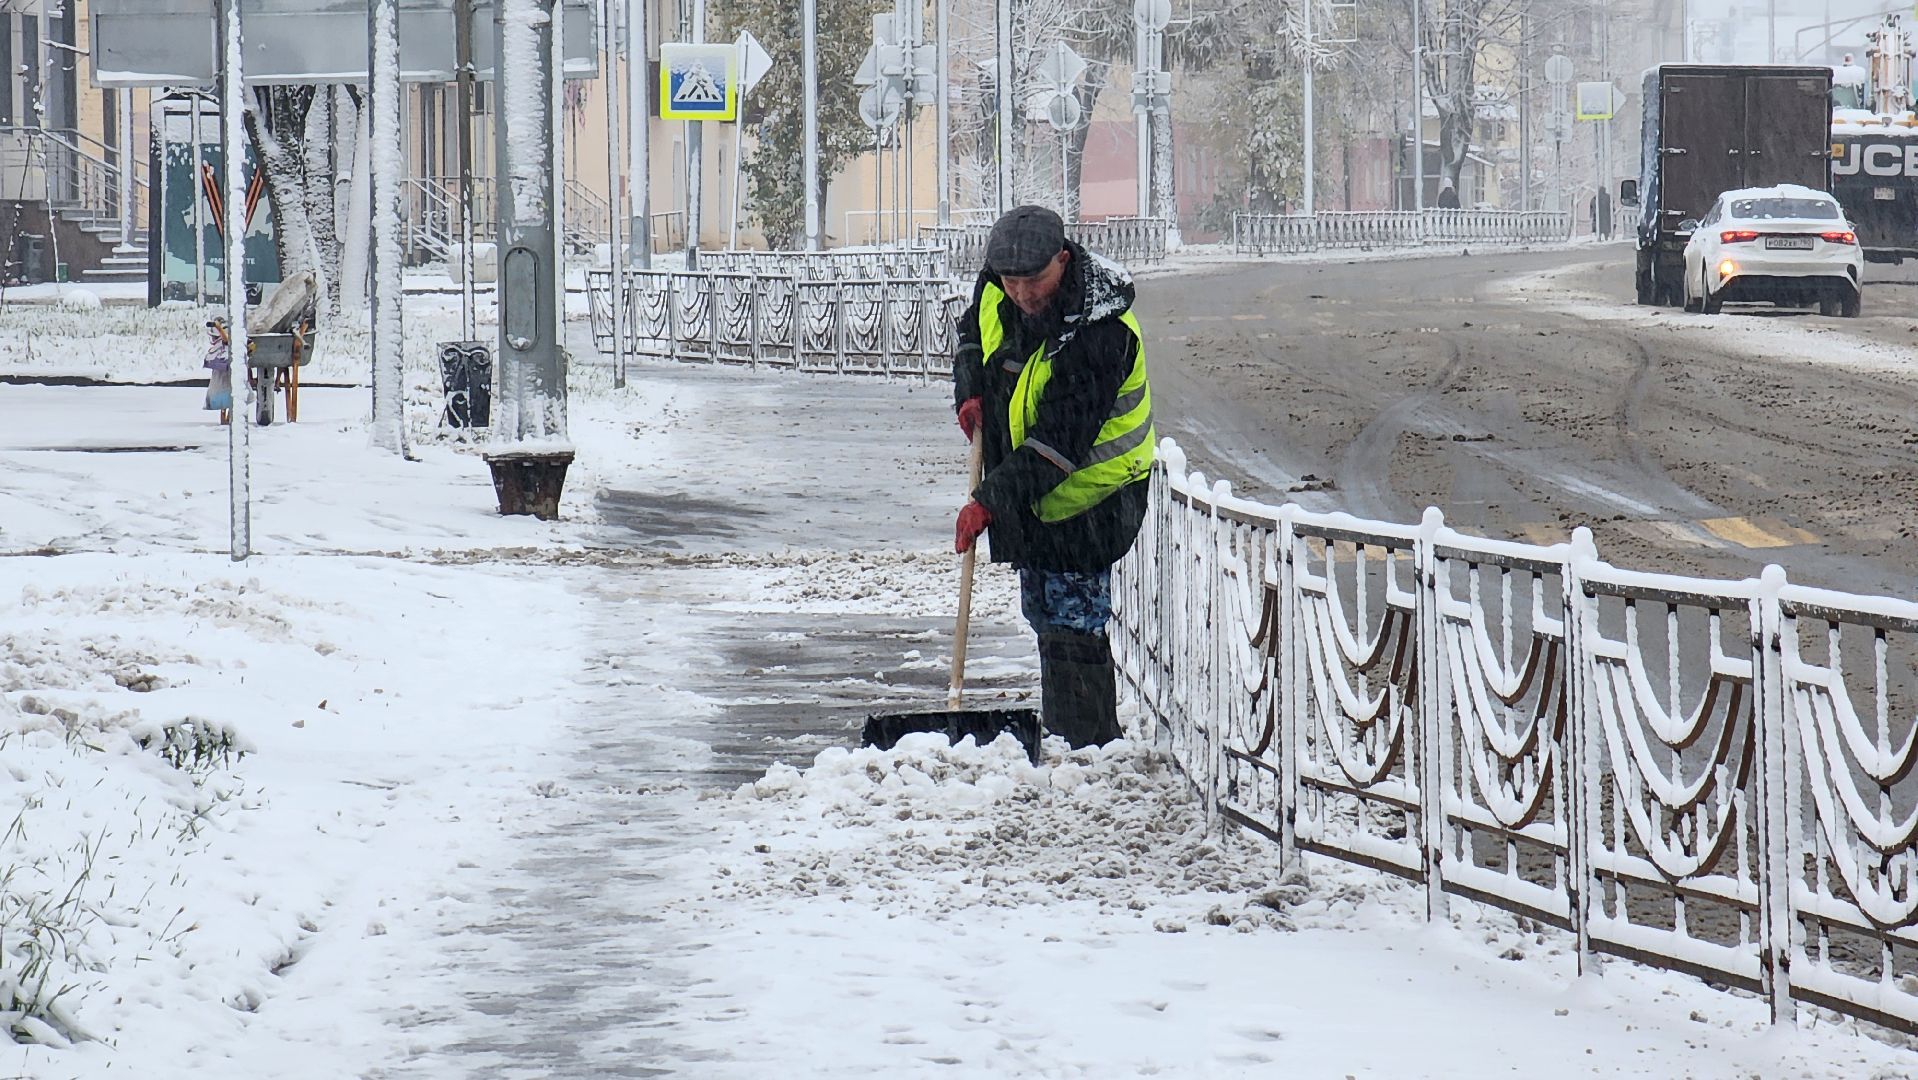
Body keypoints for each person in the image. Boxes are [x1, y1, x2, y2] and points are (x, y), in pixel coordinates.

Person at [950, 205, 1155, 749]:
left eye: (1033, 281)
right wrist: (970, 387)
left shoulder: (1100, 333)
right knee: (1042, 610)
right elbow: (974, 332)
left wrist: (988, 502)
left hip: (1094, 497)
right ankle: (1065, 735)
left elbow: (1057, 444)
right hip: (1035, 498)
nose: (1022, 294)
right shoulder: (999, 286)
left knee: (1073, 620)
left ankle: (1090, 743)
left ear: (1063, 261)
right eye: (1011, 282)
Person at [203, 318, 232, 424]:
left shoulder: (226, 342)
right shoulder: (218, 346)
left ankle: (227, 418)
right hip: (221, 375)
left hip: (227, 374)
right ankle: (224, 419)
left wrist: (219, 328)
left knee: (229, 396)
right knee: (224, 398)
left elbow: (226, 340)